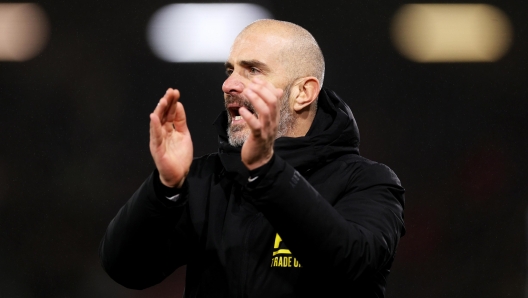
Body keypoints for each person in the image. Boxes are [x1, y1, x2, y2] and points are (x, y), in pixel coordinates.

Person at [100, 19, 405, 298]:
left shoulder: (368, 182)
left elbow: (353, 264)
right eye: (230, 70)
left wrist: (267, 171)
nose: (229, 84)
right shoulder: (206, 179)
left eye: (253, 70)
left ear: (303, 92)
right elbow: (126, 269)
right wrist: (165, 188)